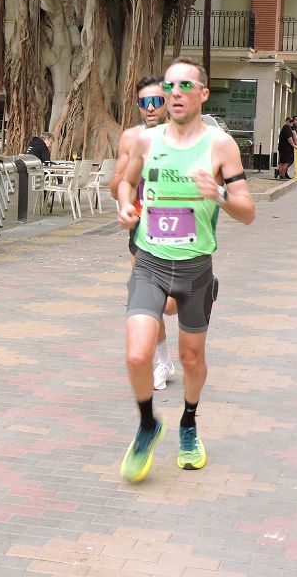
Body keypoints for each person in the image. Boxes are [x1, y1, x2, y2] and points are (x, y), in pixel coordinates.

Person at [116, 57, 255, 480]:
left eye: (184, 86)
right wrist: (125, 203)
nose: (174, 93)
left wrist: (219, 195)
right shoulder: (146, 140)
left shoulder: (220, 146)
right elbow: (125, 181)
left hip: (195, 270)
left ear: (202, 94)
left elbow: (247, 212)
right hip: (150, 263)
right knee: (138, 353)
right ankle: (146, 424)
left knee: (191, 360)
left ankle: (189, 422)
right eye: (169, 86)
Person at [110, 76, 179, 392]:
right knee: (152, 304)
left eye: (156, 102)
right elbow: (116, 186)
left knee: (171, 305)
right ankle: (162, 362)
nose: (151, 108)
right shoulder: (130, 138)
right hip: (142, 227)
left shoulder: (185, 136)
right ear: (138, 105)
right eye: (144, 103)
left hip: (180, 225)